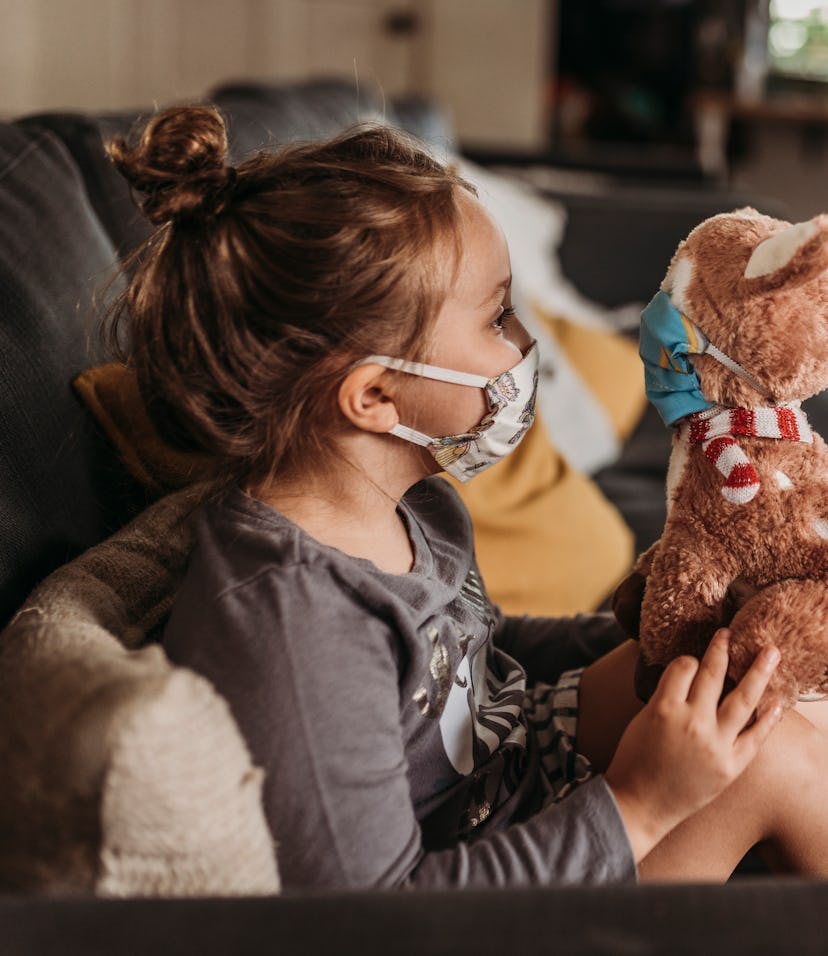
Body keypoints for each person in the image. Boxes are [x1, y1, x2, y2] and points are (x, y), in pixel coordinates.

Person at [107, 105, 828, 890]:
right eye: (497, 316)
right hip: (486, 900)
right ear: (374, 396)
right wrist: (645, 803)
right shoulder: (295, 625)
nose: (526, 345)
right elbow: (377, 913)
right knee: (772, 760)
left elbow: (472, 656)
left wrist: (643, 643)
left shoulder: (411, 505)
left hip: (519, 780)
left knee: (754, 682)